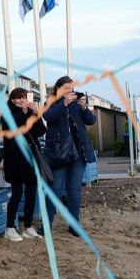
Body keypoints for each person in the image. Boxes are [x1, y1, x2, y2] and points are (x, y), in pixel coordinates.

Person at [41, 76, 96, 236]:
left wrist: (84, 107)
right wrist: (63, 104)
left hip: (78, 153)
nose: (70, 91)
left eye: (71, 88)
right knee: (55, 188)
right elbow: (48, 117)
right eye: (66, 88)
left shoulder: (76, 105)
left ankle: (74, 225)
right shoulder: (51, 102)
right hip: (59, 153)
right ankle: (47, 225)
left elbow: (91, 121)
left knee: (74, 189)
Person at [1, 88, 47, 242]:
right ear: (12, 100)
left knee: (32, 193)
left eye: (23, 97)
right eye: (18, 98)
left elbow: (41, 131)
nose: (21, 100)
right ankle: (9, 228)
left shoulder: (29, 114)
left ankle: (28, 227)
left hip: (30, 159)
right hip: (15, 160)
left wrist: (35, 114)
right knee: (17, 193)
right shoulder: (7, 115)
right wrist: (24, 112)